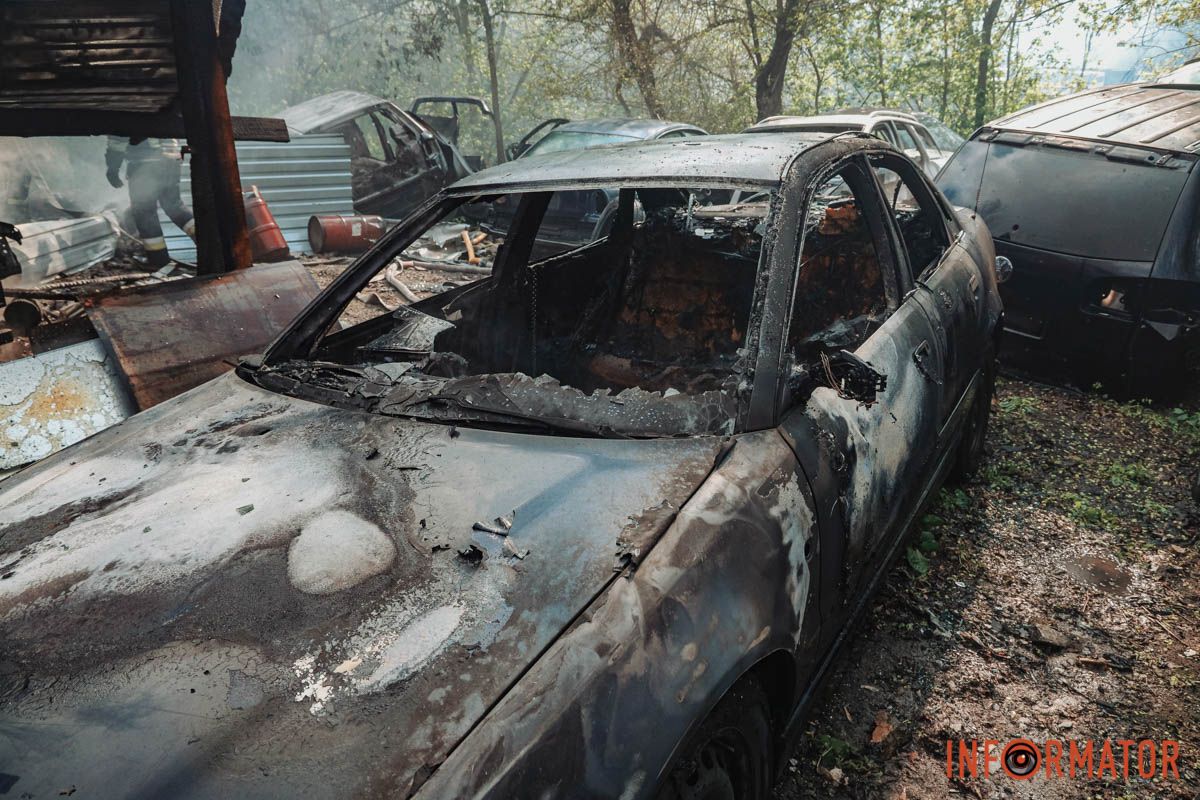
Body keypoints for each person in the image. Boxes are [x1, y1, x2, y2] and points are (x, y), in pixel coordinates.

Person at [105, 137, 195, 269]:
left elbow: (118, 138)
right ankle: (208, 246)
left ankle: (158, 260)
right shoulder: (163, 114)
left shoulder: (133, 114)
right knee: (175, 207)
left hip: (145, 164)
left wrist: (113, 168)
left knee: (144, 212)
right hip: (171, 160)